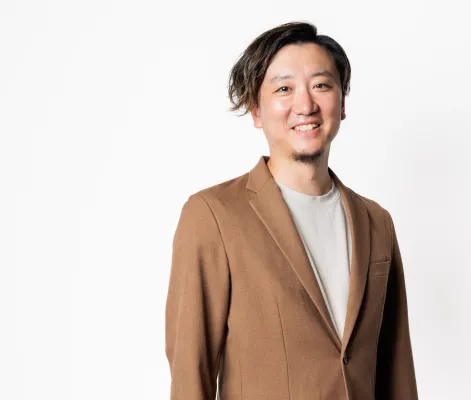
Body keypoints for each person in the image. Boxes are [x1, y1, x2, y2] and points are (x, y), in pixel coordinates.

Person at [165, 21, 418, 400]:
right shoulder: (213, 215)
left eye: (321, 85)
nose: (305, 105)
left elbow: (397, 371)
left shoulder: (376, 221)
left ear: (342, 104)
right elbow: (191, 370)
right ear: (256, 110)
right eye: (284, 89)